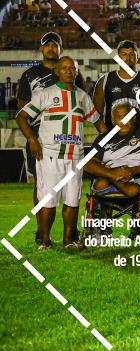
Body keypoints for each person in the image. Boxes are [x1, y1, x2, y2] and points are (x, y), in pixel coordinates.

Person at [16, 57, 104, 248]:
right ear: (57, 71)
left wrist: (110, 141)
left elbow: (98, 123)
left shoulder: (83, 96)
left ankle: (68, 241)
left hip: (75, 157)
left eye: (72, 68)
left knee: (72, 201)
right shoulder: (46, 94)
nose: (69, 71)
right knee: (48, 201)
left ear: (77, 71)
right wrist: (32, 140)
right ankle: (44, 241)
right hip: (50, 155)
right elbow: (21, 117)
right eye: (64, 68)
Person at [17, 33, 88, 239]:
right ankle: (42, 232)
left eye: (54, 45)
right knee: (41, 185)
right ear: (41, 49)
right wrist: (31, 138)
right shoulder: (30, 75)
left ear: (60, 49)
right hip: (40, 138)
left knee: (70, 188)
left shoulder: (73, 73)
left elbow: (80, 102)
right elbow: (22, 109)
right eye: (46, 45)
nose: (50, 48)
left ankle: (70, 233)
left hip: (67, 138)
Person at [83, 101, 140, 234]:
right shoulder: (104, 138)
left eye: (127, 116)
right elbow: (87, 163)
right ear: (113, 120)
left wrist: (131, 171)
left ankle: (116, 179)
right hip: (109, 177)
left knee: (133, 190)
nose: (124, 121)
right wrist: (112, 173)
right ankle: (115, 179)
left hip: (138, 176)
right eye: (119, 117)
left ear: (134, 117)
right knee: (100, 184)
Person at [92, 40, 140, 130]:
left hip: (139, 134)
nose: (128, 58)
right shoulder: (105, 80)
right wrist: (105, 133)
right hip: (113, 134)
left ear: (137, 57)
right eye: (124, 54)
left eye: (132, 54)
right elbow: (96, 112)